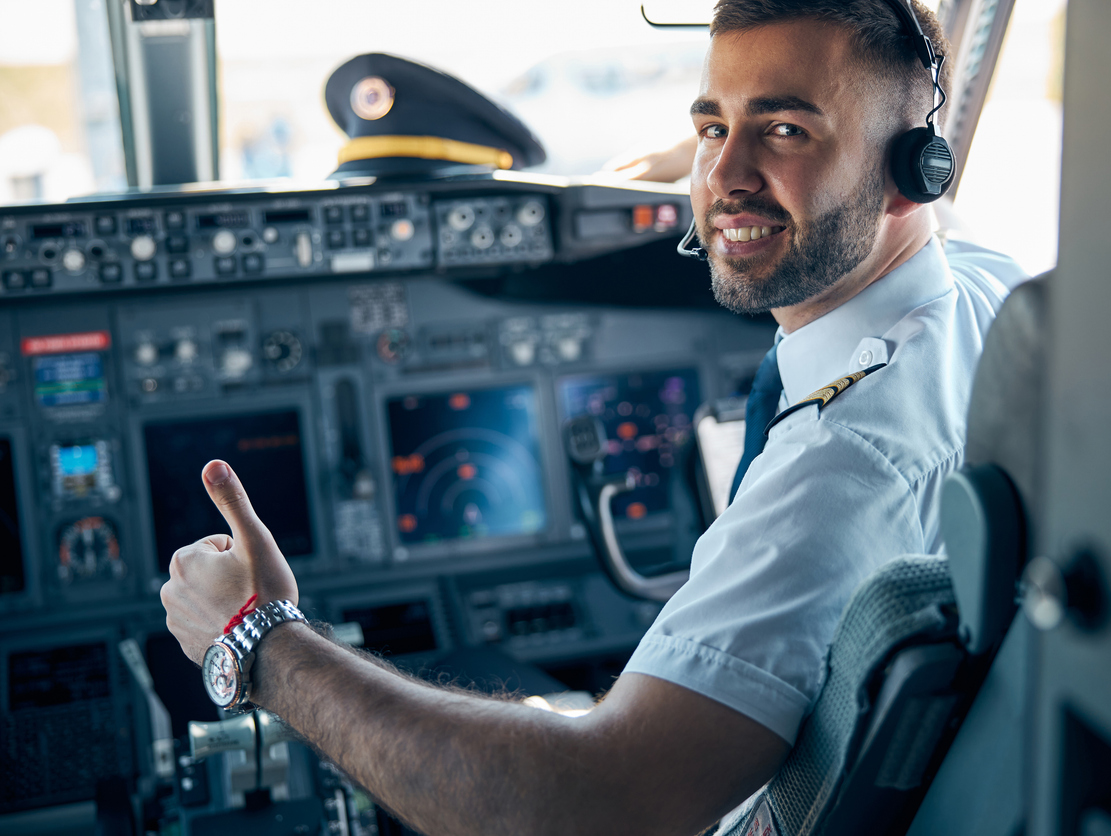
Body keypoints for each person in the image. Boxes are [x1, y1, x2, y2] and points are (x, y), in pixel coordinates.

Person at [162, 2, 1027, 834]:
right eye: (713, 128)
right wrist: (736, 154)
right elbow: (886, 211)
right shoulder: (993, 299)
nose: (722, 180)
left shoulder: (839, 467)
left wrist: (262, 641)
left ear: (912, 173)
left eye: (787, 129)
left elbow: (595, 809)